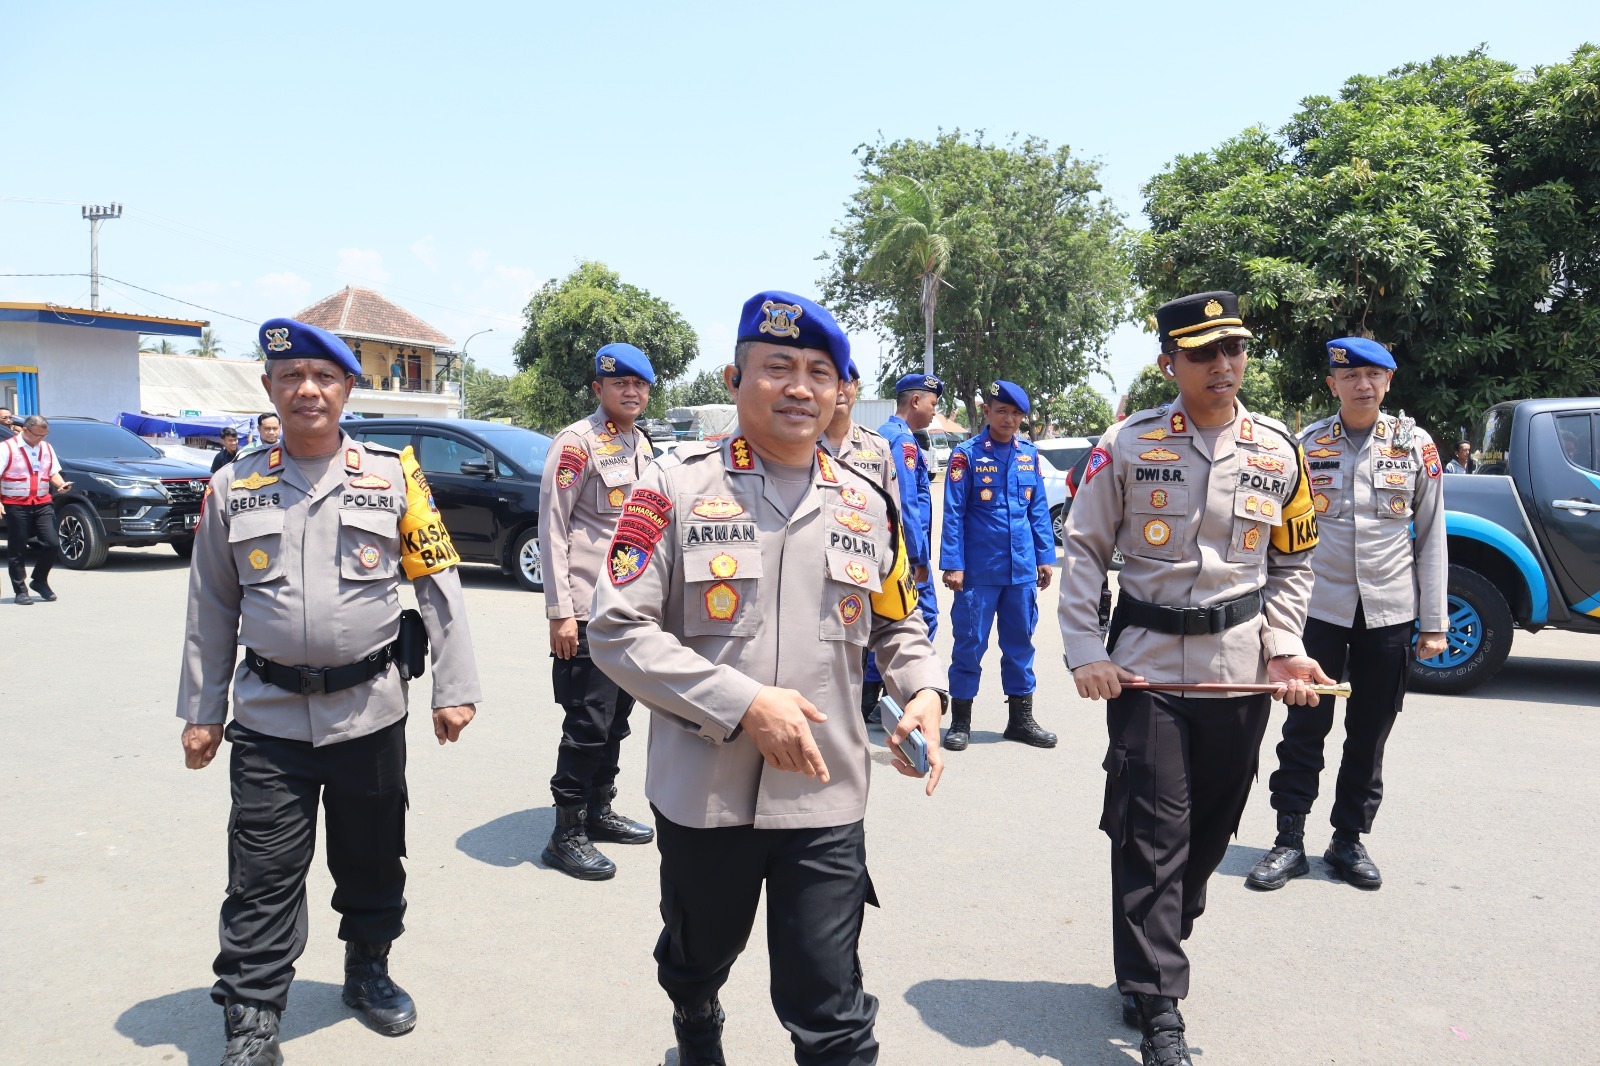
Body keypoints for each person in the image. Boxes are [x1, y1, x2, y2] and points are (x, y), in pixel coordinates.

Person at [588, 290, 948, 1066]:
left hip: (826, 794)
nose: (801, 387)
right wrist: (744, 703)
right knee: (697, 954)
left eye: (821, 372)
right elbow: (615, 630)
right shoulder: (673, 487)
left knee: (832, 1009)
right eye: (778, 366)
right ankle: (696, 1023)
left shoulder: (866, 502)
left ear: (841, 391)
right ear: (734, 376)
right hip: (705, 793)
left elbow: (897, 623)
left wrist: (923, 690)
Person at [176, 317, 482, 1066]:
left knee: (373, 857)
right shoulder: (233, 485)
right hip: (270, 720)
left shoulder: (394, 475)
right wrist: (200, 711)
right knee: (261, 874)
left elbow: (439, 583)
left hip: (370, 712)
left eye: (323, 377)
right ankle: (251, 1014)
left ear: (348, 387)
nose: (307, 390)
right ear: (270, 389)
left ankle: (368, 970)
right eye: (291, 378)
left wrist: (455, 685)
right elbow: (211, 607)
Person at [1058, 291, 1330, 1066]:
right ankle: (1162, 1012)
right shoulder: (1128, 443)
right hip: (1143, 667)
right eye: (1204, 352)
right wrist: (1085, 651)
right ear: (1168, 363)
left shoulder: (1280, 449)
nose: (1224, 365)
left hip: (1238, 672)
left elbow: (1293, 561)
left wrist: (1283, 647)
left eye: (1234, 349)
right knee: (1154, 831)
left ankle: (1153, 950)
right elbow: (1083, 549)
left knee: (1206, 833)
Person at [1247, 337, 1448, 893]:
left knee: (1371, 731)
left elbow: (1431, 536)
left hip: (1389, 612)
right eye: (1350, 375)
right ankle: (1289, 840)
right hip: (1320, 610)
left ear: (1389, 382)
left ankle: (1348, 841)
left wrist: (1433, 622)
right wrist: (1272, 621)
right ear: (1332, 383)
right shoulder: (1306, 445)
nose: (1363, 384)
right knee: (1303, 726)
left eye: (1374, 375)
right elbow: (1276, 538)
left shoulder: (1416, 447)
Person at [538, 341, 659, 881]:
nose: (630, 392)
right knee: (587, 722)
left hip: (632, 609)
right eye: (619, 384)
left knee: (617, 720)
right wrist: (560, 612)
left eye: (639, 385)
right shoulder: (575, 444)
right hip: (586, 611)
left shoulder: (641, 442)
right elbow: (554, 528)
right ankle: (565, 832)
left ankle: (597, 809)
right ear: (598, 389)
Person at [938, 381, 1057, 750]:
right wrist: (953, 564)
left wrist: (1044, 557)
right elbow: (954, 513)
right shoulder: (967, 455)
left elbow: (1037, 510)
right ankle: (961, 721)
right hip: (978, 571)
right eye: (1001, 411)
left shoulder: (1028, 455)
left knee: (1021, 643)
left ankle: (1020, 720)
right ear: (987, 411)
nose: (1009, 419)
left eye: (1016, 413)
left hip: (1020, 570)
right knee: (970, 643)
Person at [868, 373, 942, 721]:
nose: (933, 412)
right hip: (903, 554)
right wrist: (917, 557)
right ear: (915, 402)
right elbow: (906, 505)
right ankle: (887, 699)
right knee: (918, 620)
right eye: (932, 404)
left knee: (885, 620)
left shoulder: (883, 435)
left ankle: (870, 700)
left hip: (884, 549)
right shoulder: (903, 442)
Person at [2, 415, 71, 604]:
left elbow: (52, 472)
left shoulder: (46, 448)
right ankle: (20, 590)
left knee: (52, 543)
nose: (41, 439)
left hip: (42, 502)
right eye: (37, 435)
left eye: (44, 435)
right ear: (25, 429)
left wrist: (60, 485)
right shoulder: (6, 448)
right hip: (15, 503)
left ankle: (39, 581)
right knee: (17, 548)